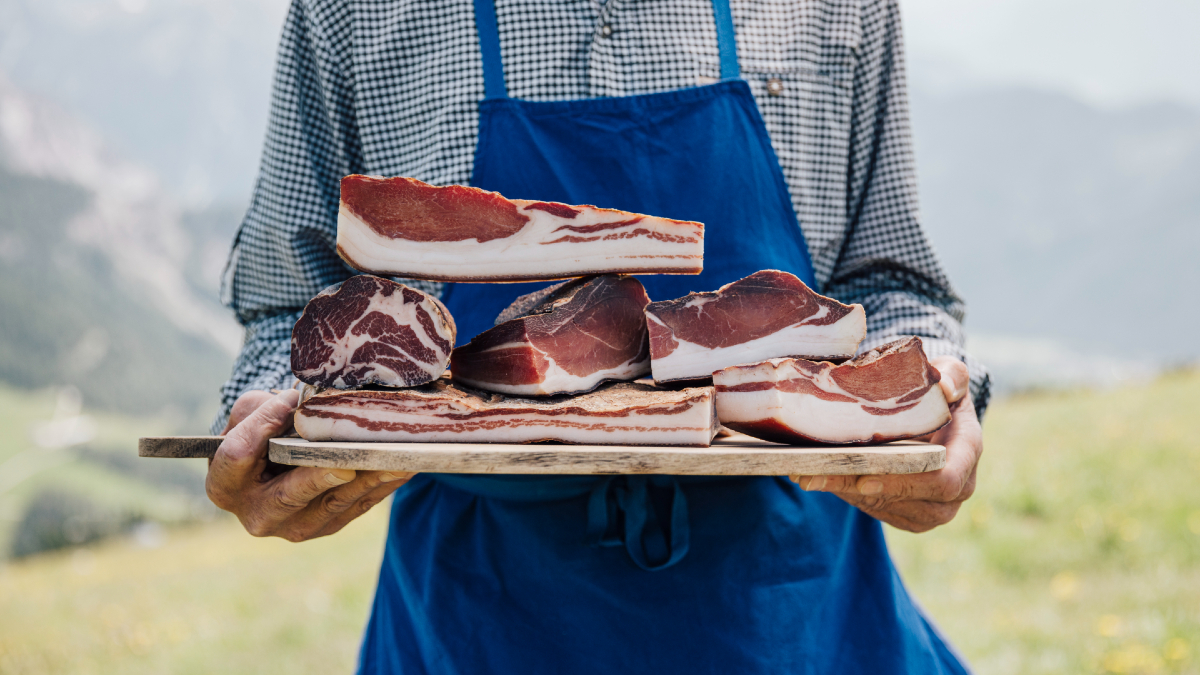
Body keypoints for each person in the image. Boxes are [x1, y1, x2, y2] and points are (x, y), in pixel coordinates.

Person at [206, 0, 990, 672]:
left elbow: (894, 285)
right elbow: (289, 306)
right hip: (478, 613)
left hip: (791, 608)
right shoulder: (352, 13)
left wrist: (936, 397)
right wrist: (276, 424)